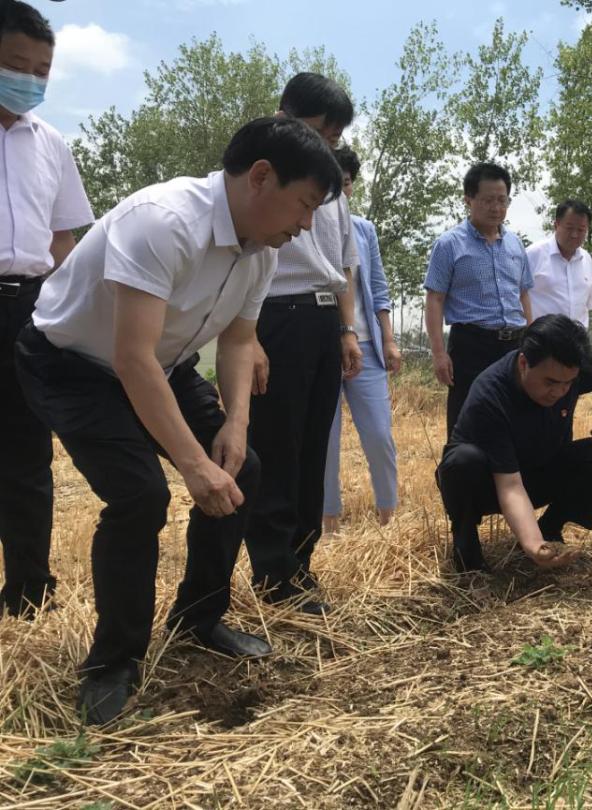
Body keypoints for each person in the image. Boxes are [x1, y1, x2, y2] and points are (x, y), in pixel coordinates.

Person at [14, 117, 342, 724]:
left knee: (242, 471)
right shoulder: (162, 222)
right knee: (140, 495)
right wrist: (191, 465)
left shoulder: (261, 250)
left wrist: (235, 425)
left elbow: (240, 342)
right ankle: (112, 662)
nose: (305, 225)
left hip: (162, 362)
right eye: (304, 205)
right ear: (261, 178)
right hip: (73, 364)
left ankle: (198, 618)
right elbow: (129, 358)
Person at [244, 73, 362, 615]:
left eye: (334, 139)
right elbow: (243, 259)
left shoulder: (329, 186)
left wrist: (345, 330)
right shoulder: (256, 179)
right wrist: (248, 336)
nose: (326, 146)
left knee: (315, 446)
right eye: (320, 132)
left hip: (319, 320)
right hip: (275, 316)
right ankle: (272, 573)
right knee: (277, 445)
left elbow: (341, 266)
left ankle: (301, 562)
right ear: (284, 117)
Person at [0, 1, 94, 619]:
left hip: (26, 306)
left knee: (26, 451)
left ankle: (30, 588)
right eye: (14, 64)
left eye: (41, 70)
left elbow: (65, 241)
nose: (29, 79)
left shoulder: (50, 143)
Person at [436, 314, 592, 572]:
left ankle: (550, 528)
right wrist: (533, 546)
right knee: (462, 462)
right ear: (523, 362)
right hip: (489, 483)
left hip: (542, 470)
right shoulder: (490, 393)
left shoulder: (571, 366)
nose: (559, 392)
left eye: (568, 383)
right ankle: (466, 540)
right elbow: (510, 485)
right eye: (550, 382)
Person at [424, 162, 533, 440]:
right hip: (471, 345)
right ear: (468, 199)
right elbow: (435, 299)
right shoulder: (449, 244)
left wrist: (532, 339)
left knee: (516, 419)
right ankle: (460, 479)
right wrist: (438, 353)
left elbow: (523, 294)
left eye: (502, 200)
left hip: (514, 345)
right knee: (467, 422)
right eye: (487, 200)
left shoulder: (515, 245)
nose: (496, 208)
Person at [323, 145, 400, 533]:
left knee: (380, 434)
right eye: (332, 182)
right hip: (323, 345)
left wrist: (388, 340)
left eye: (347, 183)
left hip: (367, 348)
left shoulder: (365, 230)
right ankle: (330, 521)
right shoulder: (305, 228)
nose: (339, 191)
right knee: (326, 440)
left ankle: (389, 514)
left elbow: (379, 289)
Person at [525, 199, 592, 329]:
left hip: (576, 343)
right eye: (569, 228)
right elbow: (517, 298)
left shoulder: (587, 260)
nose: (575, 235)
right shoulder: (533, 255)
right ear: (556, 225)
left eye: (581, 230)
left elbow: (589, 306)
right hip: (541, 341)